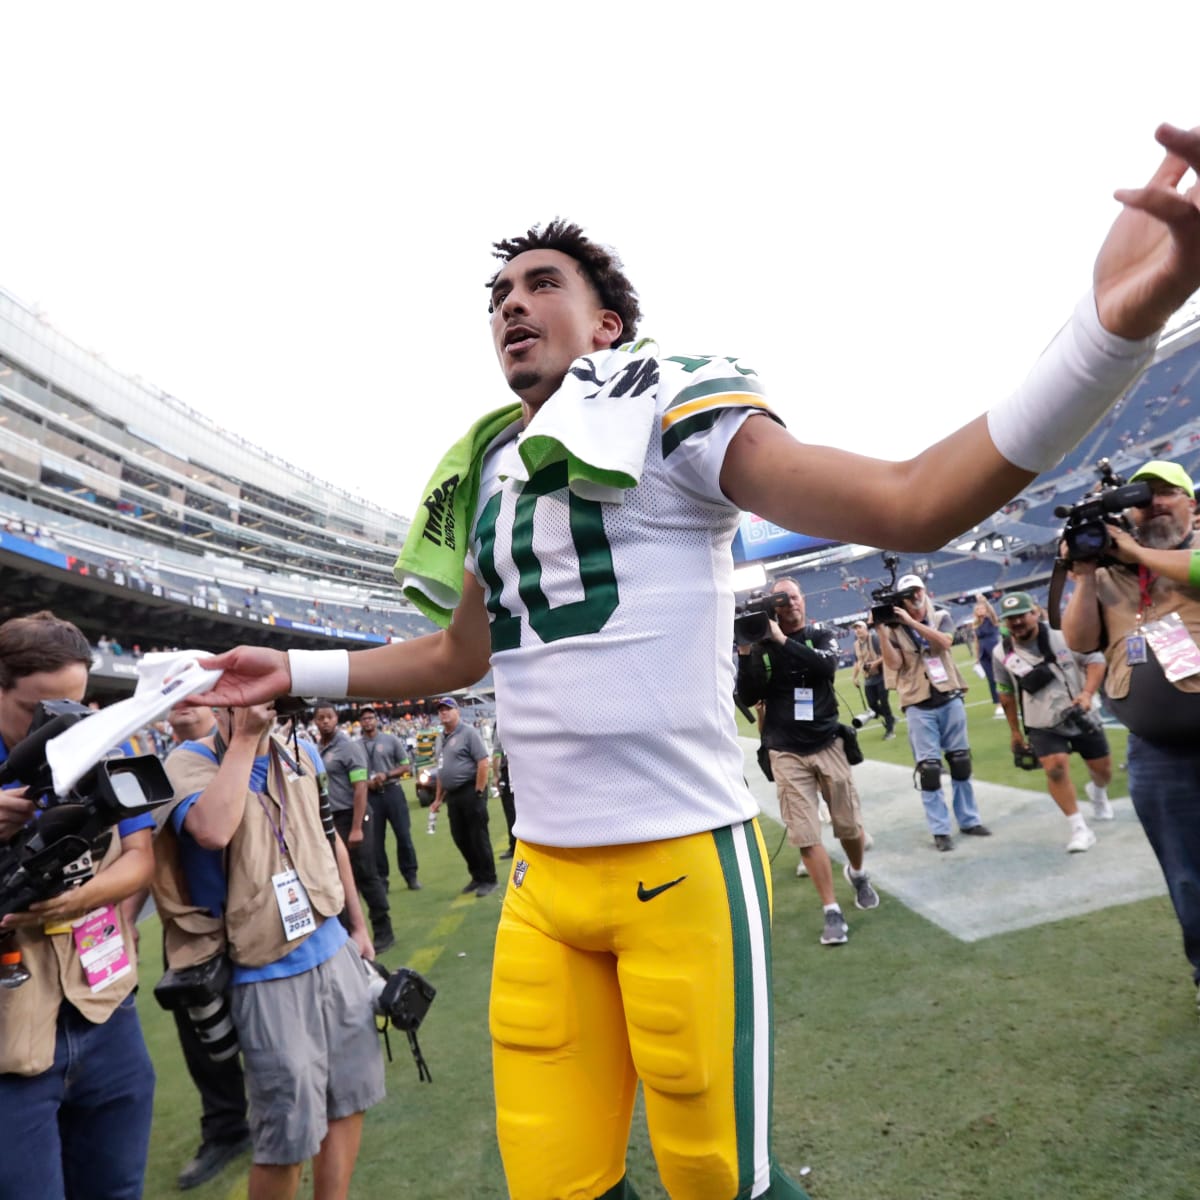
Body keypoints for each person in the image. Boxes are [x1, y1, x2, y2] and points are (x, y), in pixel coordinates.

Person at [193, 130, 1200, 1199]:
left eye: (541, 284)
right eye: (498, 295)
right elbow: (459, 652)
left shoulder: (666, 404)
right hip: (543, 877)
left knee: (722, 1181)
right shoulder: (488, 468)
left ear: (609, 323)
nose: (511, 307)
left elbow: (913, 498)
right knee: (555, 1184)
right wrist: (295, 673)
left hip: (677, 862)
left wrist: (1110, 329)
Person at [154, 703, 384, 1200]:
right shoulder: (186, 764)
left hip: (331, 944)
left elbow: (329, 839)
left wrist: (357, 927)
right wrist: (244, 739)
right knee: (287, 1130)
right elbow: (212, 830)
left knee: (350, 1096)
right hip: (260, 968)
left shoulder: (299, 751)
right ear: (218, 703)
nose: (257, 709)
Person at [0, 611, 156, 1200]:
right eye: (39, 712)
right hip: (9, 1045)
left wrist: (74, 899)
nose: (59, 728)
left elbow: (141, 857)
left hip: (104, 1007)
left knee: (118, 1189)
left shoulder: (100, 747)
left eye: (74, 709)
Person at [1062, 458, 1200, 1010]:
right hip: (1158, 756)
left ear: (1193, 503)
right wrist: (1083, 573)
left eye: (1166, 495)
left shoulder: (1180, 555)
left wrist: (1137, 553)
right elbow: (1079, 640)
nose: (1153, 505)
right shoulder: (1110, 574)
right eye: (1141, 500)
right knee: (1188, 882)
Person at [737, 579, 878, 946]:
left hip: (827, 740)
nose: (791, 605)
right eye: (782, 601)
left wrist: (782, 641)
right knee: (804, 831)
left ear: (803, 600)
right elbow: (749, 695)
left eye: (795, 597)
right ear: (773, 609)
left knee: (848, 826)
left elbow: (825, 668)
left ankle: (858, 872)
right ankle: (831, 909)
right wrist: (747, 650)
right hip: (785, 749)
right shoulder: (762, 647)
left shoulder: (819, 634)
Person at [877, 574, 991, 850]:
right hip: (918, 702)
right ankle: (940, 830)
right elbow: (894, 664)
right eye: (909, 594)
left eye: (917, 591)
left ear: (924, 591)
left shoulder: (940, 616)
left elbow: (944, 643)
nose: (915, 597)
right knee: (929, 770)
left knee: (960, 761)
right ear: (902, 599)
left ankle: (969, 819)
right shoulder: (893, 630)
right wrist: (881, 629)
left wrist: (910, 622)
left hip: (949, 695)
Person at [993, 592, 1113, 853]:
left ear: (1035, 613)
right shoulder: (1001, 652)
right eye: (1010, 618)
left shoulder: (1064, 634)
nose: (1016, 623)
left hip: (1081, 714)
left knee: (1103, 770)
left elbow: (1095, 661)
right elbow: (1005, 693)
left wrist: (1087, 694)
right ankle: (1079, 827)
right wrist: (1014, 731)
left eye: (1021, 615)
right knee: (1055, 768)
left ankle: (1098, 793)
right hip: (1042, 722)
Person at [314, 702, 394, 954]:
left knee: (366, 873)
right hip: (332, 819)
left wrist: (357, 827)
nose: (324, 721)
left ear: (336, 718)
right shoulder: (318, 749)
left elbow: (360, 788)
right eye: (320, 718)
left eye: (328, 717)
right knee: (340, 878)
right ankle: (351, 934)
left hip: (353, 816)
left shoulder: (348, 747)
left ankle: (383, 931)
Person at [429, 698, 495, 896]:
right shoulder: (441, 739)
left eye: (448, 709)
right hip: (453, 795)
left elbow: (483, 762)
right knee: (461, 838)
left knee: (478, 837)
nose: (444, 713)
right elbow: (442, 771)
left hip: (470, 790)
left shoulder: (468, 733)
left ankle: (489, 879)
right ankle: (477, 875)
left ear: (457, 711)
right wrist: (438, 798)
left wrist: (478, 791)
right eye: (441, 710)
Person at [359, 706, 421, 891]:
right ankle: (382, 880)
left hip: (392, 791)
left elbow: (405, 766)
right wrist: (366, 783)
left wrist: (386, 774)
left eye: (371, 717)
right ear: (361, 723)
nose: (368, 721)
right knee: (376, 841)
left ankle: (411, 876)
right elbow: (353, 772)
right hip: (371, 796)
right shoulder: (355, 746)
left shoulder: (390, 740)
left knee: (403, 836)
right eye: (364, 719)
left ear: (376, 720)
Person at [850, 618, 896, 739]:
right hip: (868, 678)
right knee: (872, 705)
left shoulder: (874, 638)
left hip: (881, 675)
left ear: (866, 629)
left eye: (859, 627)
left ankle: (890, 729)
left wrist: (874, 664)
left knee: (884, 703)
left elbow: (885, 654)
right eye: (855, 629)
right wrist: (854, 677)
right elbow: (857, 662)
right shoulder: (856, 645)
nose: (857, 630)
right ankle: (890, 717)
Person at [972, 594, 1006, 717]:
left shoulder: (991, 620)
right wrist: (976, 658)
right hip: (983, 654)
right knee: (991, 679)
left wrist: (984, 601)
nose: (980, 611)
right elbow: (976, 641)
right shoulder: (975, 624)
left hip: (995, 650)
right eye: (978, 609)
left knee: (1002, 676)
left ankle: (1009, 699)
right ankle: (998, 703)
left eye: (982, 609)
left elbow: (991, 612)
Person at [492, 727, 517, 860]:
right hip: (520, 769)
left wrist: (496, 775)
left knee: (510, 811)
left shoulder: (501, 724)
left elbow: (497, 753)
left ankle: (515, 845)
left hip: (507, 772)